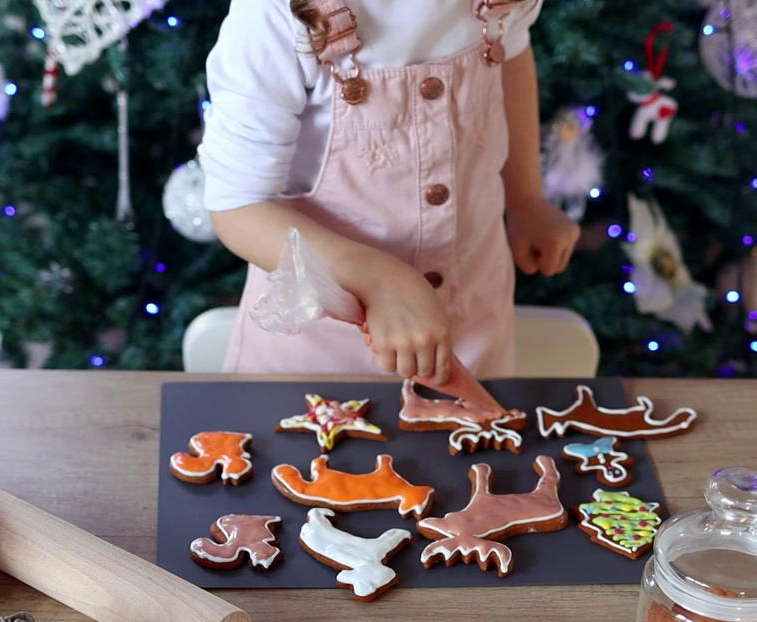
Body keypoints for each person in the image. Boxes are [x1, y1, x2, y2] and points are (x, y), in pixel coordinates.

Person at [202, 0, 580, 385]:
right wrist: (380, 280)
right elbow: (238, 205)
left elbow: (510, 55)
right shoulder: (274, 13)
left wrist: (525, 199)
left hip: (473, 330)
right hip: (316, 360)